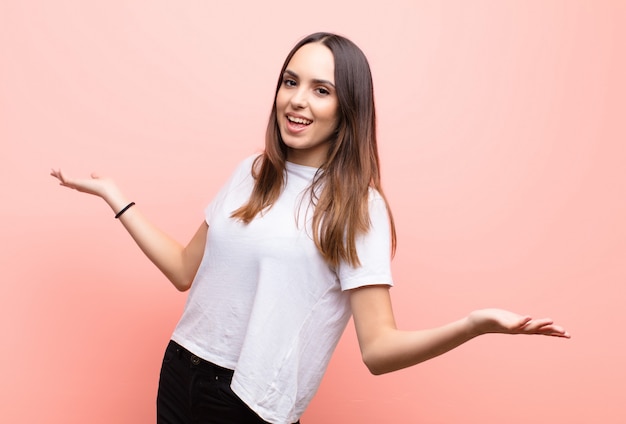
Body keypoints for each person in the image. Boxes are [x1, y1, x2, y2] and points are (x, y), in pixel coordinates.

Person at [50, 32, 569, 424]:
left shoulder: (357, 207)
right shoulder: (252, 172)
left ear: (348, 108)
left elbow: (378, 350)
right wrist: (116, 197)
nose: (297, 100)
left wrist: (473, 325)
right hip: (180, 370)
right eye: (290, 81)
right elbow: (185, 270)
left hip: (249, 399)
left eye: (321, 90)